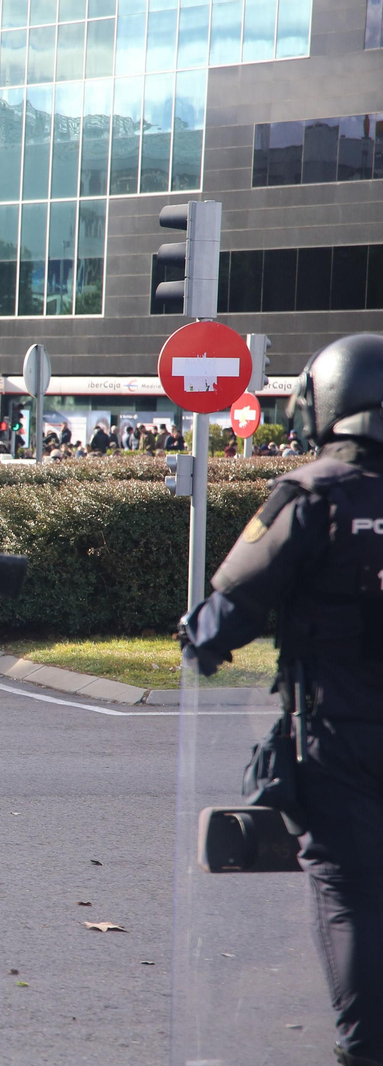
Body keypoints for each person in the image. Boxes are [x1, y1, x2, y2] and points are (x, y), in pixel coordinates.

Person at [180, 334, 383, 1066]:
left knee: (352, 892)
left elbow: (229, 606)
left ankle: (366, 1050)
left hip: (340, 733)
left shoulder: (311, 496)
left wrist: (200, 639)